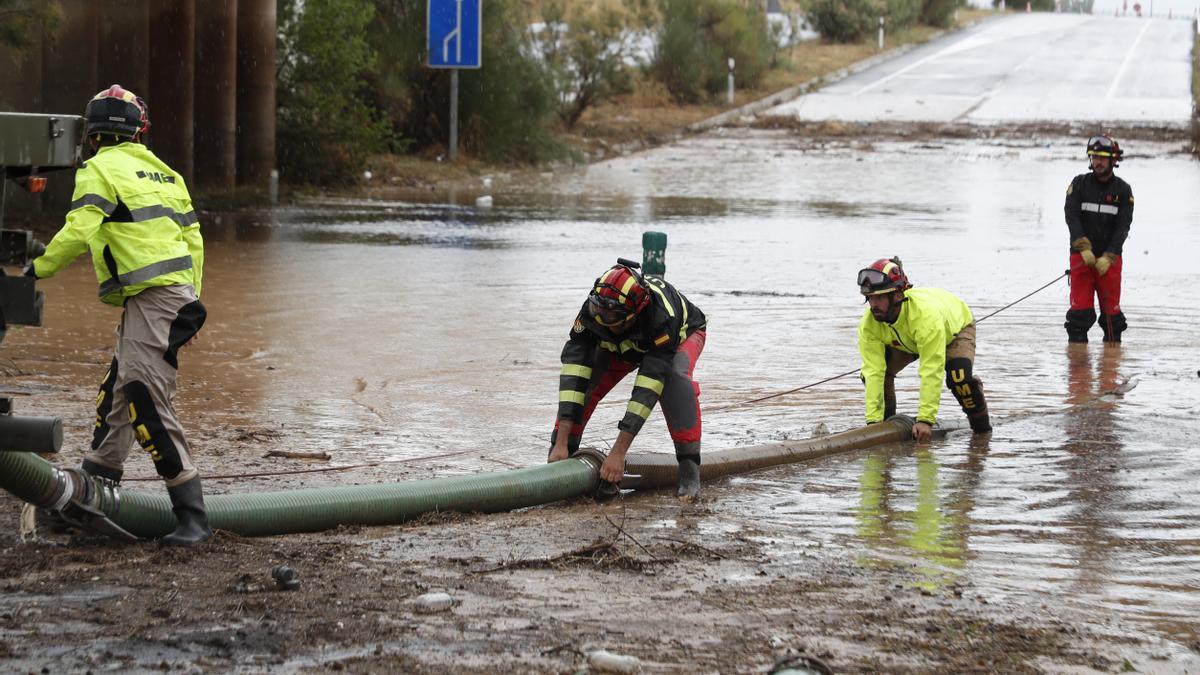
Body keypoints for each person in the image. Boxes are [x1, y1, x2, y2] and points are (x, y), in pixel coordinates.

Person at [25, 85, 211, 546]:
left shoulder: (98, 170)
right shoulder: (166, 173)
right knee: (118, 396)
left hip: (154, 300)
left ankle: (193, 518)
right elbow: (195, 243)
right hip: (168, 297)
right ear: (138, 132)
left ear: (92, 136)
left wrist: (37, 268)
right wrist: (189, 300)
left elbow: (79, 228)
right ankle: (92, 491)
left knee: (145, 398)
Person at [546, 260, 707, 500]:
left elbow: (647, 390)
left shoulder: (663, 320)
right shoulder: (593, 313)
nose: (602, 321)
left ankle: (689, 474)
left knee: (674, 380)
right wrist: (560, 441)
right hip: (624, 343)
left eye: (610, 317)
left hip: (679, 336)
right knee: (586, 385)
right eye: (599, 314)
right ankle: (561, 459)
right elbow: (574, 375)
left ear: (634, 313)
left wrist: (618, 453)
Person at [856, 257, 991, 443]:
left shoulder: (925, 318)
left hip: (954, 329)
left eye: (879, 297)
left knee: (959, 377)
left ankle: (983, 435)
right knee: (876, 375)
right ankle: (884, 431)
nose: (873, 305)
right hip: (907, 340)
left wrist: (925, 420)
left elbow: (931, 370)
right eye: (870, 298)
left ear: (897, 295)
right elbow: (873, 372)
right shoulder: (869, 324)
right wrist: (872, 423)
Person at [1063, 134, 1134, 343]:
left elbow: (1123, 226)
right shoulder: (1079, 184)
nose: (1098, 162)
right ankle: (1078, 371)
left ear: (1114, 160)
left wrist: (1110, 255)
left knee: (1113, 320)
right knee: (1079, 317)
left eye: (1102, 157)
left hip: (1108, 261)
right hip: (1081, 259)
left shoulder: (1123, 190)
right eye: (1094, 157)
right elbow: (1072, 216)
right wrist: (1082, 247)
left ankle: (1110, 369)